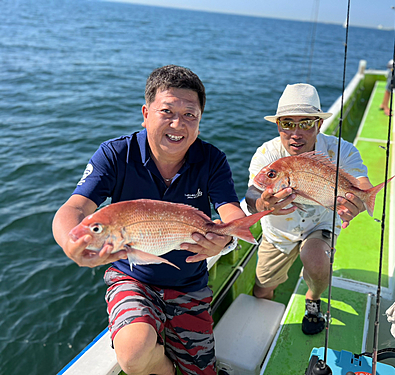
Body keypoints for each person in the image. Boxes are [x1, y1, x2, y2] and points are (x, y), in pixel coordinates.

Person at [53, 65, 246, 375]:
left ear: (199, 121)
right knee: (133, 353)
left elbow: (231, 214)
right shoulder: (115, 155)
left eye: (189, 115)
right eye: (167, 111)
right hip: (133, 278)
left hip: (190, 284)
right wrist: (70, 243)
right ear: (145, 113)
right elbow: (74, 209)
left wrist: (225, 239)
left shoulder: (212, 160)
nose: (177, 124)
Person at [245, 83, 372, 335]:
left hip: (320, 223)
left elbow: (360, 182)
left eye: (306, 123)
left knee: (315, 260)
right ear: (278, 125)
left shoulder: (342, 151)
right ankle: (263, 316)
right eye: (287, 123)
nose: (296, 133)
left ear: (319, 125)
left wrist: (361, 200)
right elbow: (251, 194)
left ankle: (313, 298)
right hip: (278, 232)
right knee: (262, 286)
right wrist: (262, 204)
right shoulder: (267, 154)